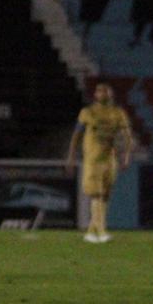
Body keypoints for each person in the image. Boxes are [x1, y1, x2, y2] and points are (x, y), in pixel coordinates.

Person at [64, 82, 133, 243]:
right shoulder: (87, 112)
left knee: (105, 196)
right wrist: (71, 157)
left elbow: (127, 136)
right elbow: (76, 135)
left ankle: (90, 232)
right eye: (100, 91)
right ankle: (101, 231)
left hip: (110, 159)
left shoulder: (118, 113)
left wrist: (126, 156)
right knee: (97, 195)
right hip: (92, 160)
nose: (103, 94)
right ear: (95, 95)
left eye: (106, 91)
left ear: (111, 94)